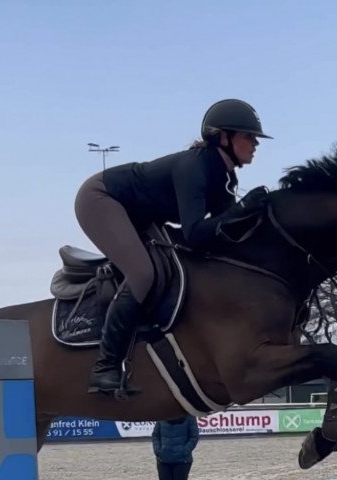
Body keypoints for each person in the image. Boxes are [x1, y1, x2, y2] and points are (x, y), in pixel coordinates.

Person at [74, 99, 272, 395]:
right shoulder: (195, 167)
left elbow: (223, 235)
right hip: (101, 199)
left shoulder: (223, 176)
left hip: (138, 214)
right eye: (248, 136)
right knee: (143, 274)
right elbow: (194, 233)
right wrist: (241, 208)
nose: (255, 144)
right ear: (223, 137)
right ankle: (106, 366)